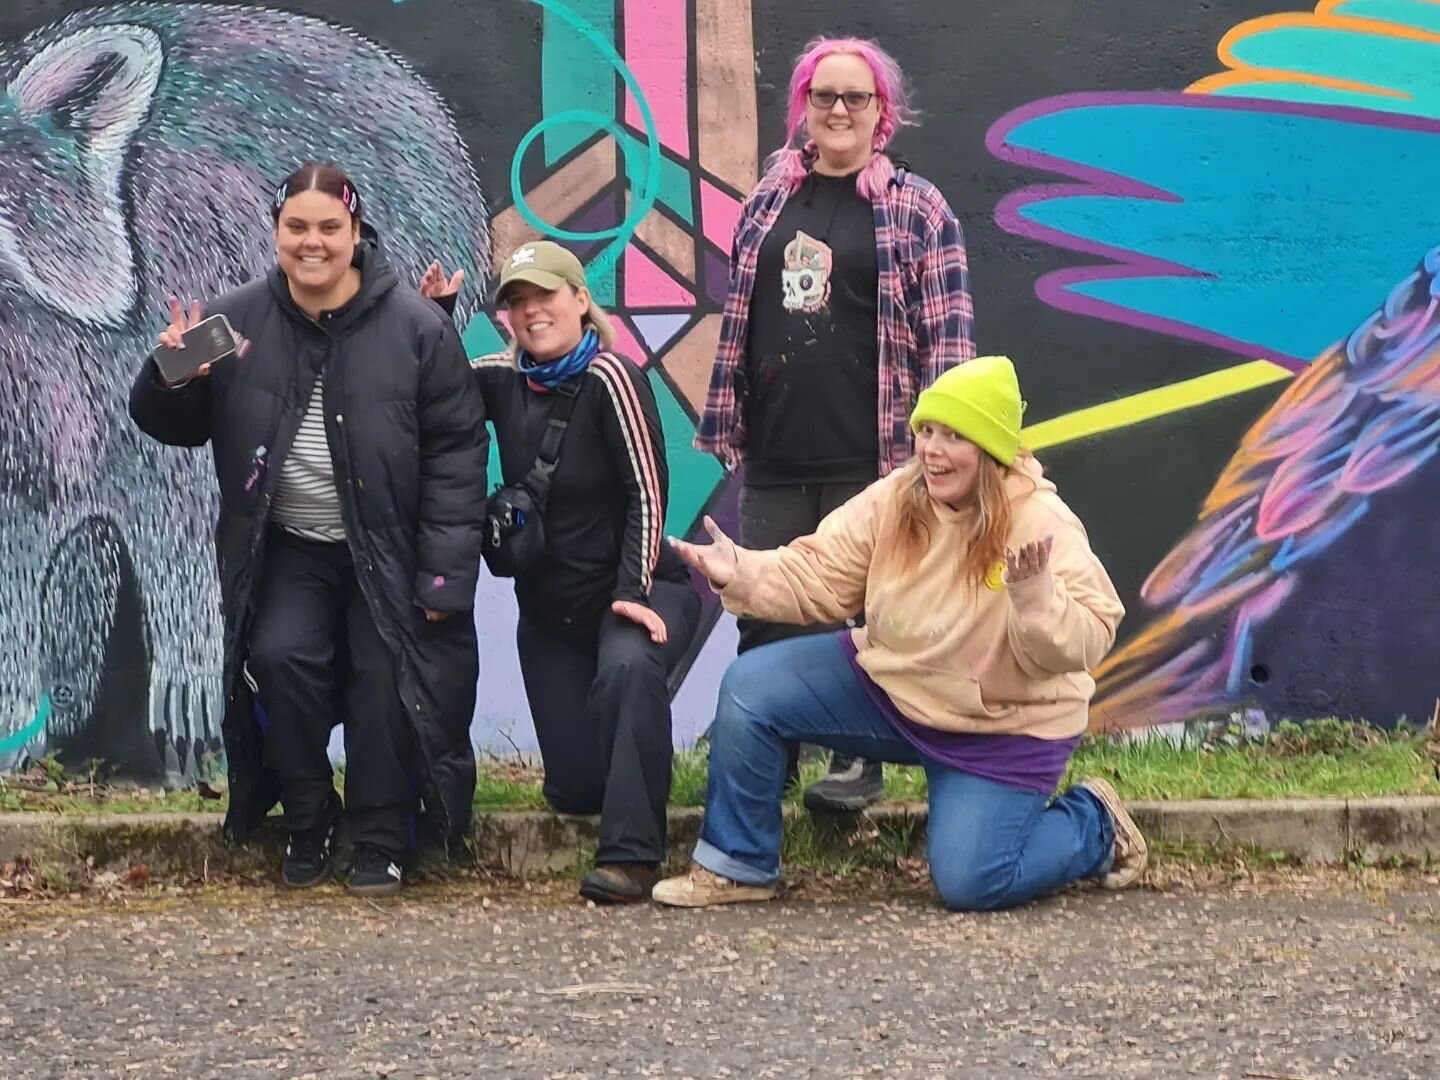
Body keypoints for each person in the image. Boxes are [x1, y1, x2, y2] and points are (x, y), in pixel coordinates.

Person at [654, 356, 1147, 911]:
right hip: (895, 690)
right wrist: (740, 572)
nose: (932, 450)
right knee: (751, 686)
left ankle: (1095, 823)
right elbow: (819, 573)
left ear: (990, 448)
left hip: (1003, 728)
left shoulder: (1040, 521)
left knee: (972, 882)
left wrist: (1036, 599)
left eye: (954, 435)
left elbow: (1092, 635)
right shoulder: (895, 497)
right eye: (926, 431)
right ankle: (738, 865)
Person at [129, 163, 488, 898]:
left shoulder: (418, 330)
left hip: (389, 549)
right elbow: (166, 421)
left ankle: (382, 835)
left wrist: (445, 578)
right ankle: (308, 814)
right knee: (281, 658)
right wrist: (170, 370)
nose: (313, 242)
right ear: (277, 233)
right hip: (288, 546)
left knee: (384, 677)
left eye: (330, 227)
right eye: (298, 227)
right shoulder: (230, 323)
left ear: (356, 234)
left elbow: (458, 456)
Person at [694, 35, 975, 812]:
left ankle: (857, 762)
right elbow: (741, 322)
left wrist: (944, 452)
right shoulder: (770, 199)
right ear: (804, 110)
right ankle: (765, 758)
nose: (840, 110)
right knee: (761, 605)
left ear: (883, 113)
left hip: (876, 456)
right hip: (779, 448)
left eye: (857, 98)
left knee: (870, 615)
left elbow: (949, 344)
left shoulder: (918, 207)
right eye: (826, 97)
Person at [463, 240, 701, 905]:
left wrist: (632, 590)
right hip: (550, 616)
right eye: (517, 301)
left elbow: (649, 493)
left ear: (580, 300)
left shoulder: (611, 378)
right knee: (575, 790)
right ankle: (619, 775)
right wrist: (438, 311)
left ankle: (632, 859)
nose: (531, 311)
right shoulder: (499, 376)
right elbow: (424, 383)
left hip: (640, 593)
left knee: (628, 667)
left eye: (545, 295)